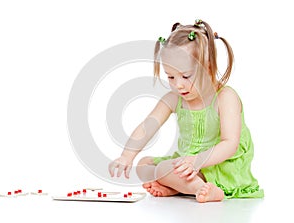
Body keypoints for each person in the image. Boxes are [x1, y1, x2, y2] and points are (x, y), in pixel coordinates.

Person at [108, 19, 264, 202]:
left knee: (164, 169)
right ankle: (181, 187)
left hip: (220, 166)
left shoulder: (225, 97)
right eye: (171, 76)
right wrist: (127, 156)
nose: (178, 84)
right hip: (187, 164)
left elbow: (230, 144)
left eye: (186, 75)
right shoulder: (174, 98)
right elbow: (147, 126)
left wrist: (197, 160)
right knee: (143, 165)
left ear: (208, 67)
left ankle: (206, 189)